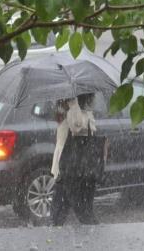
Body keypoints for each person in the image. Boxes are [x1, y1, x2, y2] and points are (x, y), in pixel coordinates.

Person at [51, 93, 99, 226]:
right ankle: (55, 234)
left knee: (82, 210)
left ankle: (94, 238)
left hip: (75, 169)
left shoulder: (79, 111)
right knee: (61, 210)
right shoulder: (73, 111)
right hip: (71, 168)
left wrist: (73, 103)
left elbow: (77, 126)